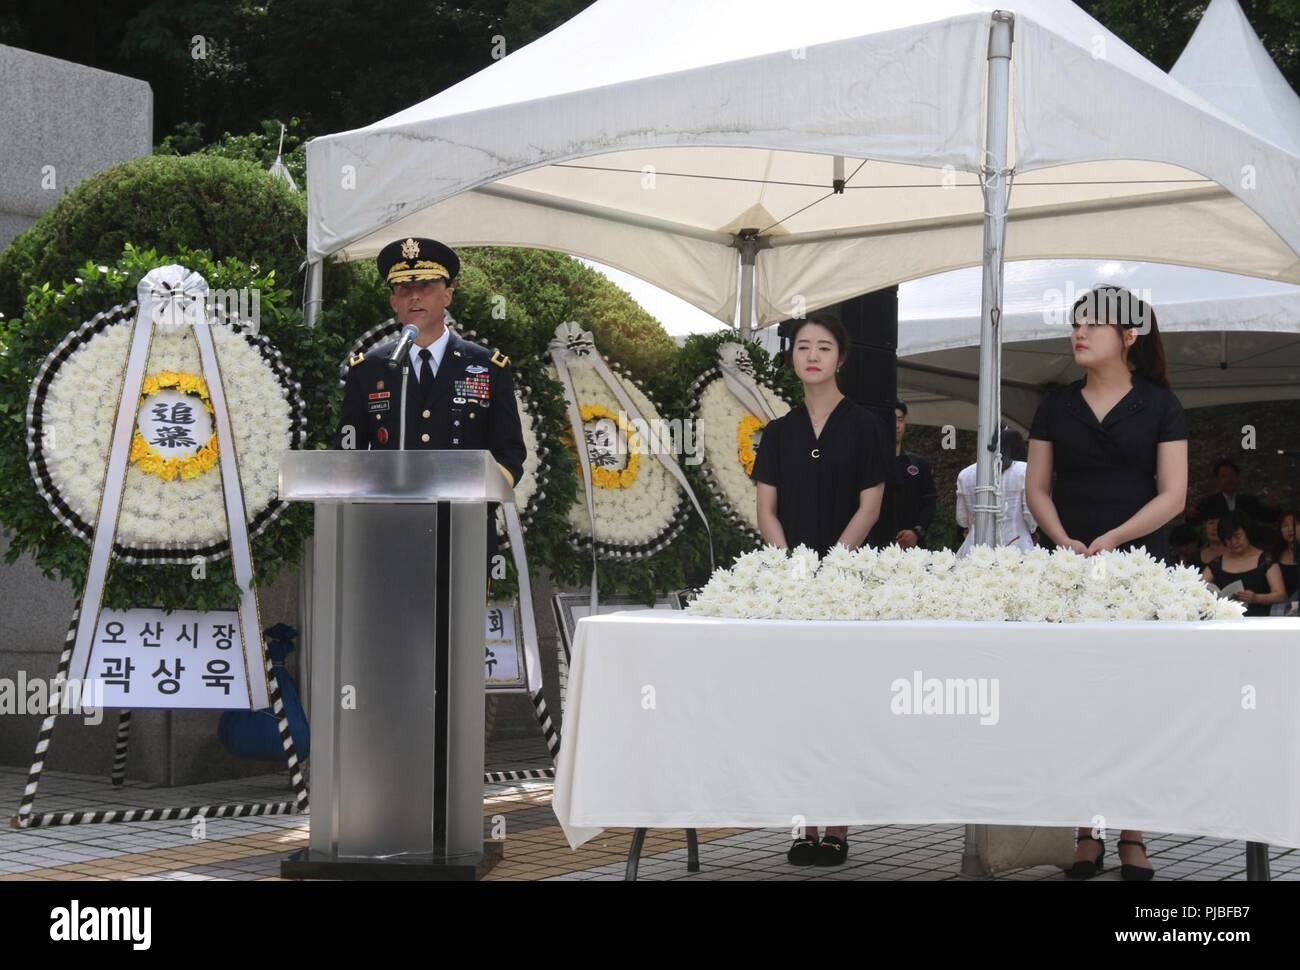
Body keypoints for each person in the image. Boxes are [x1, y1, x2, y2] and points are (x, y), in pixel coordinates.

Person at [1025, 285, 1188, 882]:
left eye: (1093, 323)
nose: (1079, 332)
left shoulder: (1161, 406)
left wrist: (1117, 538)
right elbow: (1036, 488)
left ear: (1130, 336)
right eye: (1076, 322)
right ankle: (1086, 829)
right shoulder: (1055, 406)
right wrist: (1063, 538)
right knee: (1075, 698)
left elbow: (1173, 494)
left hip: (1138, 565)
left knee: (1132, 699)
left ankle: (1134, 831)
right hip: (1065, 565)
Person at [753, 311, 889, 868]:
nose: (812, 356)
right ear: (792, 358)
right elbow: (766, 508)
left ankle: (836, 826)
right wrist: (792, 568)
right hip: (791, 582)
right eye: (803, 346)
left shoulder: (865, 426)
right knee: (796, 704)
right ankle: (802, 824)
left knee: (841, 703)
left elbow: (871, 505)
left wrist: (832, 566)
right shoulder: (778, 431)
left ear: (841, 358)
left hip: (847, 580)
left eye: (824, 348)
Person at [333, 237, 526, 566]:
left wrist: (479, 495)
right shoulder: (369, 369)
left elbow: (510, 454)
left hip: (464, 533)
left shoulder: (486, 367)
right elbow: (347, 453)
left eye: (426, 285)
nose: (415, 296)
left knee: (456, 619)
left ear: (448, 295)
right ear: (394, 301)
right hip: (388, 532)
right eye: (404, 289)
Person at [955, 426, 1036, 556]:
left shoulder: (965, 474)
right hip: (1017, 548)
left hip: (975, 549)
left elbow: (962, 520)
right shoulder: (1024, 471)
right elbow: (1031, 518)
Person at [1202, 511, 1286, 617]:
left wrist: (1256, 598)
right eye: (1228, 539)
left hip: (1260, 621)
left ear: (1247, 533)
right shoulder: (1216, 564)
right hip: (1226, 622)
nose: (1234, 542)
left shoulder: (1266, 560)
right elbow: (1198, 587)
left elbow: (1281, 595)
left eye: (1237, 536)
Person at [889, 399, 937, 549]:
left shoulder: (919, 464)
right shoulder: (871, 464)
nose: (896, 426)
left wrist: (916, 532)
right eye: (891, 420)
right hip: (876, 548)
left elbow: (929, 503)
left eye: (900, 420)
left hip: (914, 549)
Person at [1186, 459, 1279, 525]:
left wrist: (1274, 507)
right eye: (1224, 476)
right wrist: (1190, 515)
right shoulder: (1208, 502)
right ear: (1217, 480)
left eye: (1232, 475)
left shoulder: (1249, 500)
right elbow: (1194, 522)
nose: (1229, 479)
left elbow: (1269, 518)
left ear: (1238, 478)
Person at [1274, 511, 1299, 614]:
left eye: (1295, 524)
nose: (1290, 529)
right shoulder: (1275, 555)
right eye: (1285, 525)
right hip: (1282, 607)